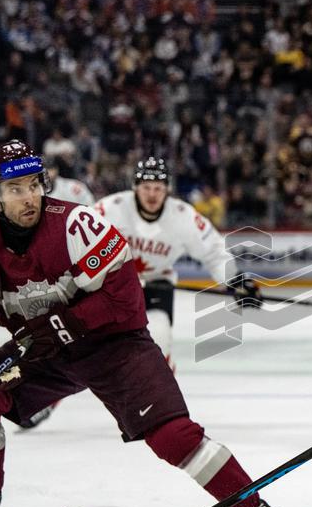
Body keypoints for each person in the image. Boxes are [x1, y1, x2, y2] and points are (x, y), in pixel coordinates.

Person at [0, 140, 305, 507]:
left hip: (113, 346)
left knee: (173, 435)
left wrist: (60, 326)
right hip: (43, 351)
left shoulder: (75, 224)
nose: (29, 196)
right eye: (16, 188)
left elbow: (124, 299)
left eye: (34, 184)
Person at [94, 157, 262, 368]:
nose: (152, 195)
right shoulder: (110, 209)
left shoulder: (183, 216)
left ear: (168, 189)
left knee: (159, 335)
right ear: (135, 187)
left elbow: (213, 250)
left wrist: (236, 281)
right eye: (146, 187)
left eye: (158, 188)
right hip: (114, 287)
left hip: (157, 284)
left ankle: (160, 391)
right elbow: (79, 243)